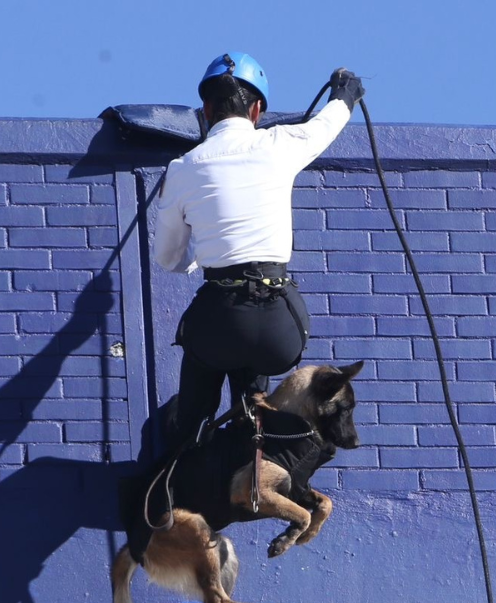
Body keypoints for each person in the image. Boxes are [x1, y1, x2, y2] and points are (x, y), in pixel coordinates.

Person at [153, 52, 365, 451]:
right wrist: (345, 92)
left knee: (206, 360)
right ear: (257, 109)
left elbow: (168, 258)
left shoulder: (183, 167)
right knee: (254, 364)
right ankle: (252, 433)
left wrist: (198, 258)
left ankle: (184, 450)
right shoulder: (279, 143)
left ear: (206, 110)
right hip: (280, 328)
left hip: (220, 320)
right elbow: (327, 123)